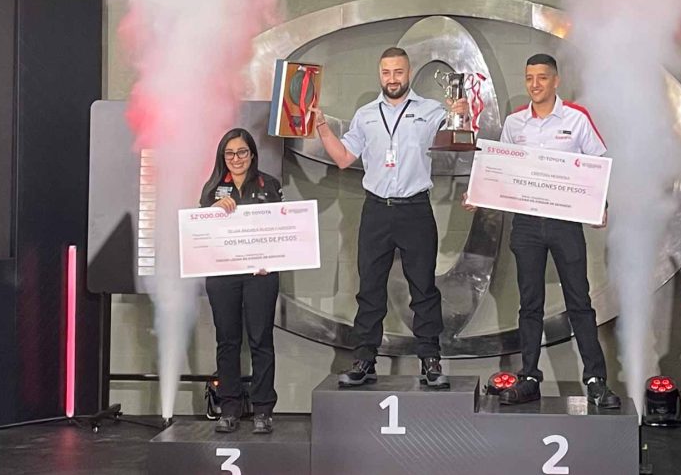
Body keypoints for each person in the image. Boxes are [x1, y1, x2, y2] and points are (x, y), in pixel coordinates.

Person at [464, 53, 620, 408]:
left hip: (566, 223)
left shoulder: (577, 118)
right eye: (529, 78)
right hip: (527, 223)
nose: (535, 85)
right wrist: (477, 194)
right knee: (529, 303)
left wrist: (601, 206)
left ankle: (596, 381)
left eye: (542, 78)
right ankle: (530, 377)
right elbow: (499, 170)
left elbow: (598, 167)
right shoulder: (515, 123)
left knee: (579, 301)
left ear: (556, 80)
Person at [310, 47, 467, 389]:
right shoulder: (365, 115)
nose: (392, 79)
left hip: (415, 209)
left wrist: (461, 114)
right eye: (386, 72)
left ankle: (430, 360)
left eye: (398, 72)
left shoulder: (431, 110)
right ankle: (365, 359)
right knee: (370, 288)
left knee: (423, 288)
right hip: (377, 210)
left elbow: (460, 139)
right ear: (379, 74)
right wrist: (322, 127)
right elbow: (343, 158)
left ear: (408, 73)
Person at [199, 128, 284, 434]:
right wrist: (211, 213)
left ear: (252, 154)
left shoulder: (269, 185)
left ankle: (263, 410)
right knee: (227, 341)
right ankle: (229, 408)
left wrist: (268, 259)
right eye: (230, 154)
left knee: (261, 340)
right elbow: (200, 235)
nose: (236, 159)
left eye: (242, 152)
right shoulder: (212, 189)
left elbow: (282, 230)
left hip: (261, 275)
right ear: (223, 157)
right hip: (223, 276)